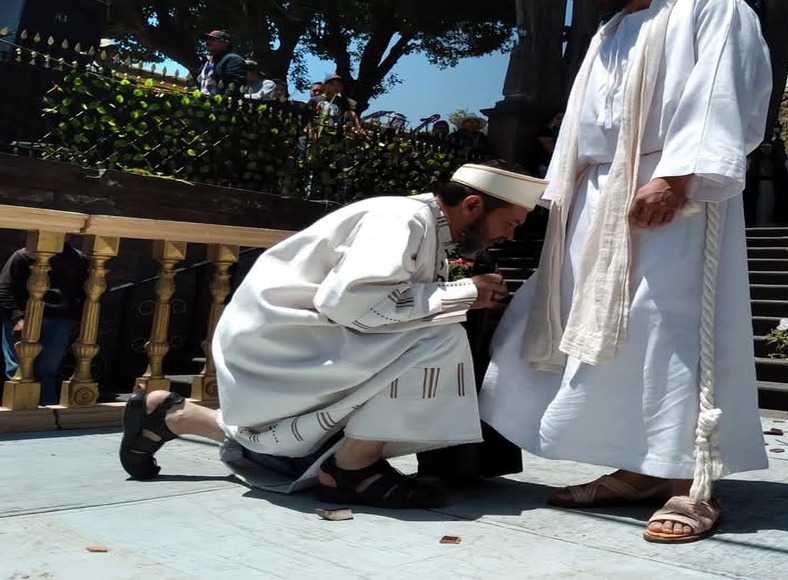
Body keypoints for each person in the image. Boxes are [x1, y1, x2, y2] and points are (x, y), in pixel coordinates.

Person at [479, 0, 772, 544]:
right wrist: (559, 197)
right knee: (608, 332)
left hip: (673, 192)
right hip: (599, 199)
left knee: (671, 329)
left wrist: (678, 177)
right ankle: (641, 469)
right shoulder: (610, 31)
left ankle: (690, 482)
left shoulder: (708, 4)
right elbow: (586, 121)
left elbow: (723, 92)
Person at [117, 162, 547, 510]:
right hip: (281, 343)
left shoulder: (428, 227)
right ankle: (351, 473)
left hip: (296, 341)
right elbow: (351, 304)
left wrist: (457, 294)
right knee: (440, 339)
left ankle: (169, 414)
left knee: (308, 447)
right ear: (473, 205)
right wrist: (464, 292)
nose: (510, 235)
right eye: (510, 222)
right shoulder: (403, 218)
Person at [0, 244, 87, 405]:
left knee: (47, 370)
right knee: (17, 370)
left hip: (58, 320)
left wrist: (77, 317)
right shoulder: (23, 255)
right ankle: (18, 410)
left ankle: (47, 411)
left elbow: (82, 291)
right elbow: (5, 287)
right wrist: (16, 317)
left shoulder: (76, 257)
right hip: (24, 318)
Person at [199, 30, 247, 96]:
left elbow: (234, 85)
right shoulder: (207, 61)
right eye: (207, 39)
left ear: (225, 43)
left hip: (221, 104)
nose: (207, 42)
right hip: (204, 103)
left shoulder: (233, 59)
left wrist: (222, 103)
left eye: (212, 39)